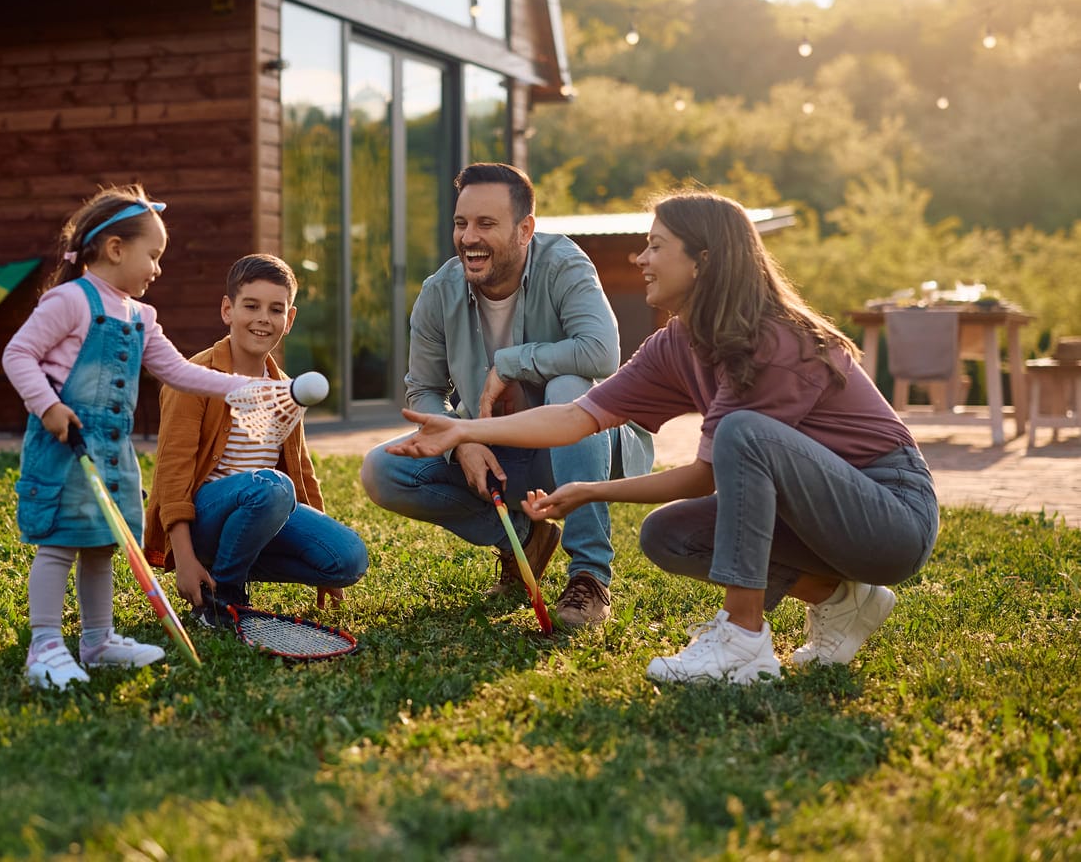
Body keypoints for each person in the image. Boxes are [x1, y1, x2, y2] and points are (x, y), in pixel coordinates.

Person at [388, 190, 939, 684]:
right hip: (814, 517)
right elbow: (578, 417)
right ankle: (841, 602)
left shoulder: (775, 340)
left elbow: (710, 474)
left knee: (743, 433)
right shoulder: (676, 344)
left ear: (703, 261)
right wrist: (466, 428)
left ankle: (742, 640)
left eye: (655, 247)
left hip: (890, 516)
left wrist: (591, 491)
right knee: (668, 535)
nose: (641, 260)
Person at [360, 162, 652, 628]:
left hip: (584, 450)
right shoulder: (439, 291)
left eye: (486, 224)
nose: (468, 237)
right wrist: (463, 439)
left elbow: (601, 352)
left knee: (569, 387)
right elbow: (424, 390)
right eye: (461, 223)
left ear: (524, 229)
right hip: (498, 455)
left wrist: (512, 362)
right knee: (383, 469)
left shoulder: (564, 263)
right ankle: (523, 538)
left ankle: (589, 576)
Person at [2, 185, 256, 689]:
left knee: (102, 545)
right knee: (58, 545)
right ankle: (45, 646)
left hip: (111, 454)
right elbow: (18, 354)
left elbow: (180, 372)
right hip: (63, 449)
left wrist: (243, 388)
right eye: (153, 254)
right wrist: (48, 407)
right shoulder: (70, 301)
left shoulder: (141, 317)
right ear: (116, 249)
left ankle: (97, 640)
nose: (158, 268)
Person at [143, 254, 369, 620]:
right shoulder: (193, 378)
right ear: (227, 310)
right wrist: (183, 559)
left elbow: (303, 473)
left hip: (262, 509)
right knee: (273, 487)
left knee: (348, 558)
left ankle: (230, 568)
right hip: (207, 519)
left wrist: (320, 540)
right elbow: (172, 473)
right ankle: (224, 595)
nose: (263, 318)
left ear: (289, 319)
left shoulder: (284, 388)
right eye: (251, 306)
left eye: (276, 309)